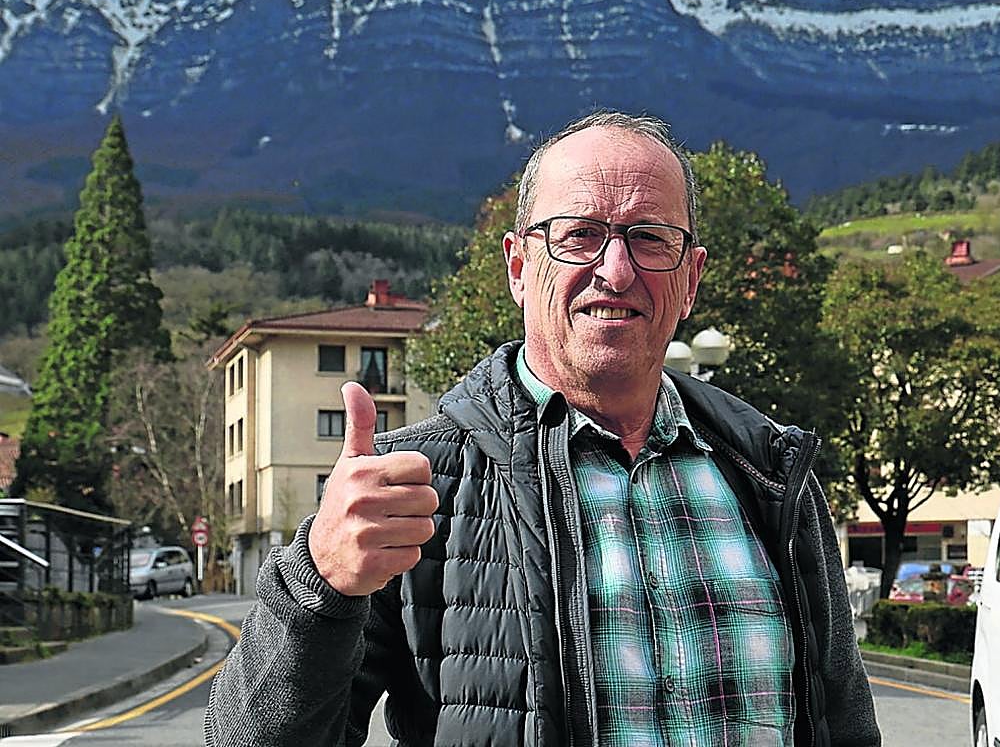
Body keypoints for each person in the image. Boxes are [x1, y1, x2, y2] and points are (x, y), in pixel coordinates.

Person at [205, 111, 881, 747]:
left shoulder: (768, 474)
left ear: (691, 277)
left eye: (650, 239)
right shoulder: (408, 490)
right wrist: (318, 585)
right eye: (579, 234)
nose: (615, 272)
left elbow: (846, 728)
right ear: (521, 268)